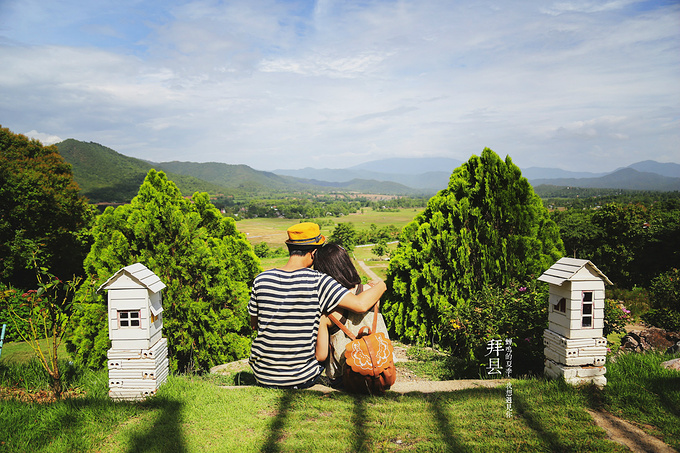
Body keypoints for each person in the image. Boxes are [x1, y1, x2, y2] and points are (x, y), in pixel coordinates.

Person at [248, 222, 386, 389]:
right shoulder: (319, 281)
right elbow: (360, 304)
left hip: (262, 375)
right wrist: (381, 285)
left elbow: (254, 324)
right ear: (313, 253)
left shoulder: (261, 279)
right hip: (300, 378)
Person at [313, 243, 390, 389]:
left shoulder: (327, 312)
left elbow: (321, 355)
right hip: (381, 372)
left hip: (344, 380)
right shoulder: (371, 292)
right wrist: (381, 285)